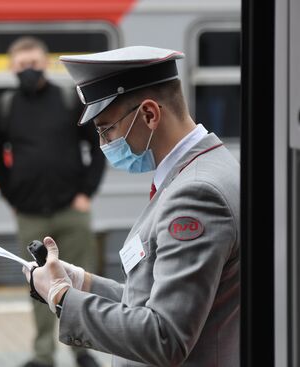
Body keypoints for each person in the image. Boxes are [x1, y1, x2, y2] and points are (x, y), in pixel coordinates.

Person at [23, 46, 240, 366]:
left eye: (107, 128)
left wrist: (61, 298)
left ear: (150, 114)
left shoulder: (195, 195)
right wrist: (81, 282)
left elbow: (163, 336)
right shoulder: (205, 168)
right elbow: (152, 296)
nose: (104, 143)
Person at [0, 36, 106, 367]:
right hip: (30, 214)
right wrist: (11, 197)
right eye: (22, 65)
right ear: (12, 67)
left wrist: (87, 192)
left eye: (35, 63)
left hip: (73, 208)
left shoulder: (70, 101)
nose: (29, 69)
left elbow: (97, 146)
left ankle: (82, 350)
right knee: (38, 284)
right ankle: (43, 354)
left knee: (79, 280)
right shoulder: (3, 109)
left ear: (46, 63)